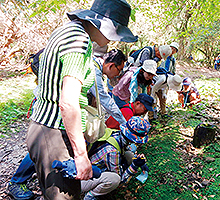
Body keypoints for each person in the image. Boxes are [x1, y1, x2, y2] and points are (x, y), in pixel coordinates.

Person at [25, 0, 138, 199]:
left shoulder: (67, 31)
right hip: (53, 131)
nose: (112, 41)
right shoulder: (79, 40)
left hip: (42, 128)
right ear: (103, 24)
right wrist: (80, 155)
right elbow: (68, 101)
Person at [8, 48, 130, 199]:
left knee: (49, 147)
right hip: (53, 109)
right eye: (119, 69)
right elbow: (104, 100)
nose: (118, 74)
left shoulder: (94, 66)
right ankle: (16, 182)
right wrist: (124, 122)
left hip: (58, 108)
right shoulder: (92, 68)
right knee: (45, 145)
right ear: (111, 65)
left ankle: (44, 176)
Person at [81, 116, 151, 199]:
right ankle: (90, 196)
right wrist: (134, 166)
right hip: (84, 179)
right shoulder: (113, 151)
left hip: (93, 168)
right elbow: (120, 180)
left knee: (130, 154)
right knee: (114, 179)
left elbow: (128, 150)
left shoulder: (117, 134)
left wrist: (137, 159)